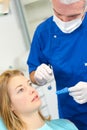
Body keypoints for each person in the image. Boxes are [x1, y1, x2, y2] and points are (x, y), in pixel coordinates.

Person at [27, 0, 87, 129]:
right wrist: (37, 77)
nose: (64, 21)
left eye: (72, 17)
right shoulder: (43, 32)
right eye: (58, 14)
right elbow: (32, 72)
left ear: (84, 7)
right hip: (71, 116)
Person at [0, 70, 78, 130]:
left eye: (29, 84)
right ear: (10, 105)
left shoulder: (66, 126)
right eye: (21, 90)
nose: (32, 90)